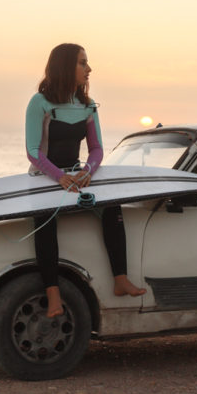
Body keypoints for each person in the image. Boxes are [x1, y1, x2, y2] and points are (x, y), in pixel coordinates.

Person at [26, 43, 146, 317]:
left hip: (77, 176)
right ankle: (53, 295)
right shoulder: (40, 103)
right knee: (44, 221)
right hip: (45, 177)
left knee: (112, 208)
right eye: (82, 63)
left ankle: (120, 280)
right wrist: (59, 177)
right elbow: (33, 152)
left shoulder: (87, 106)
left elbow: (97, 148)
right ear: (65, 66)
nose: (89, 69)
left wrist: (87, 171)